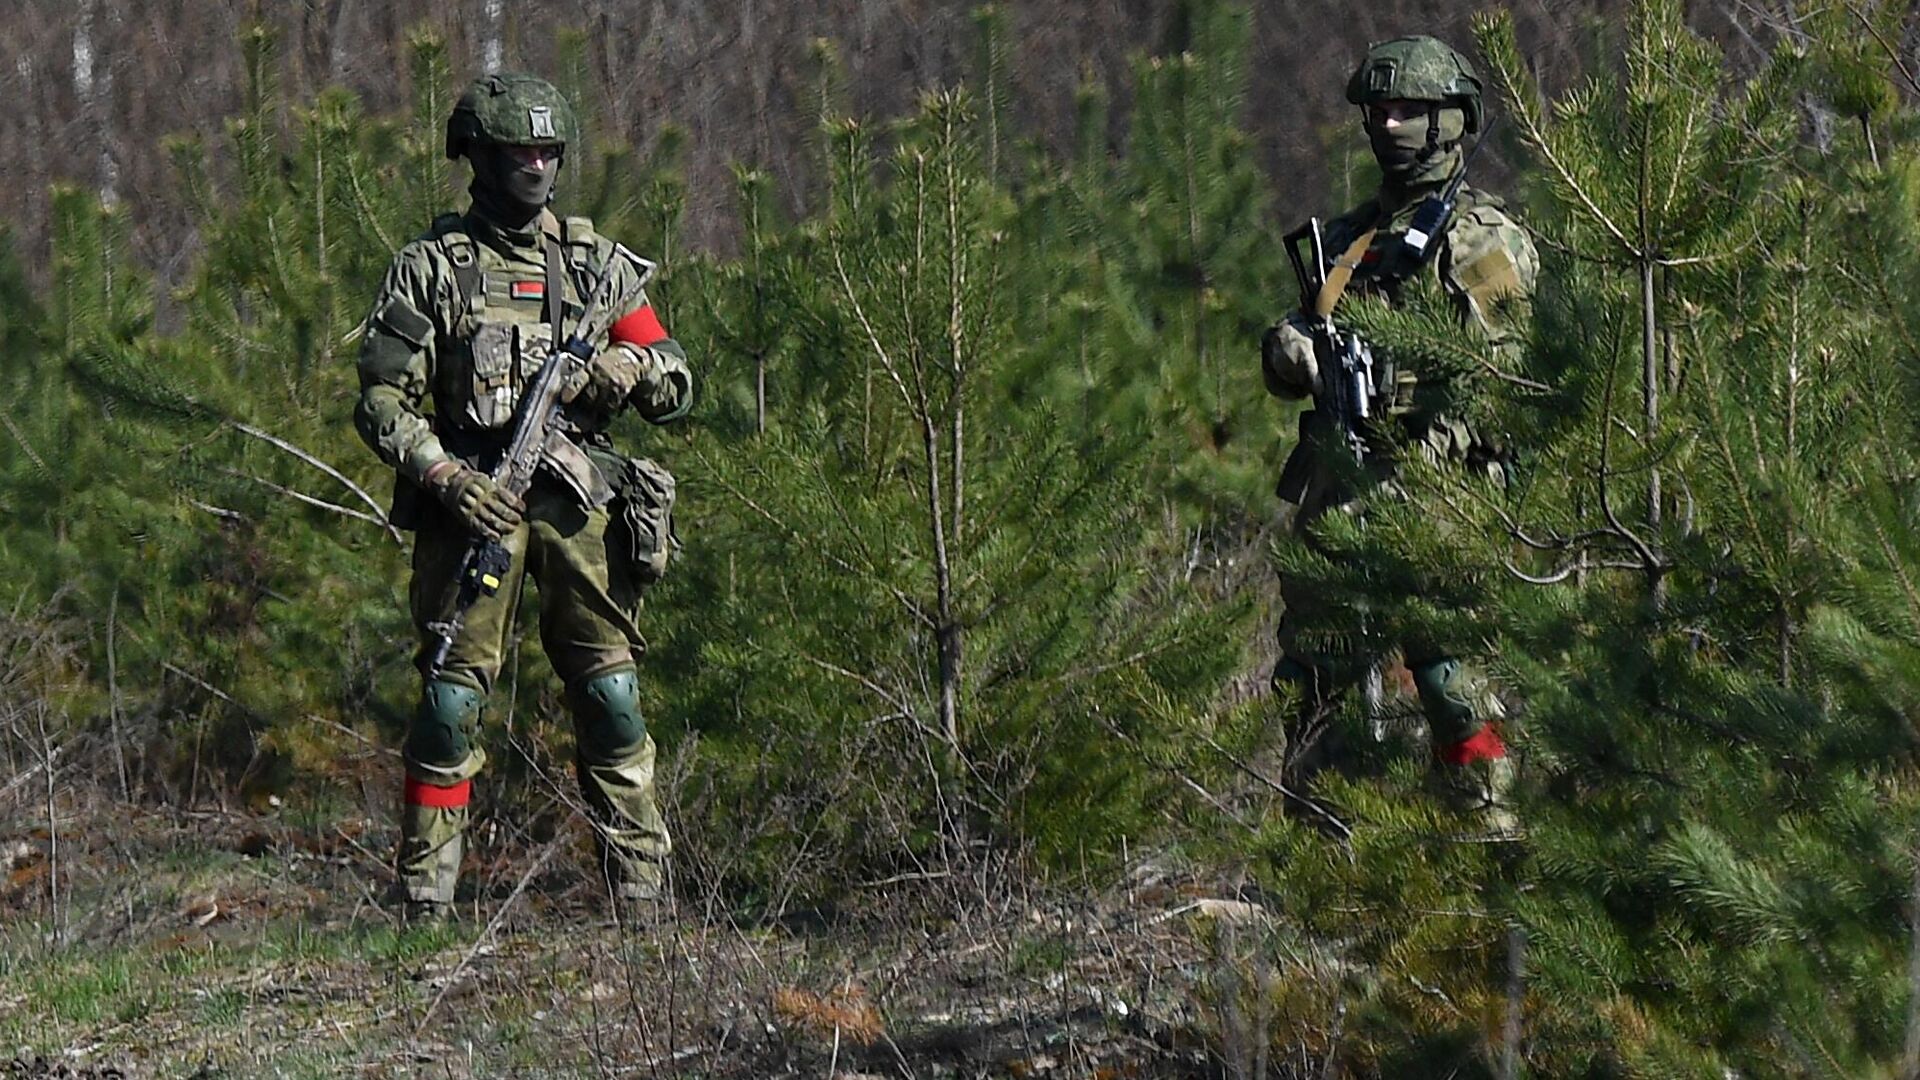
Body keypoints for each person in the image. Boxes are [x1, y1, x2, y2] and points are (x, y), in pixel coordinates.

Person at [353, 73, 693, 918]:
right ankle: (426, 908)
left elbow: (678, 381)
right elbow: (381, 401)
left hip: (578, 506)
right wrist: (446, 476)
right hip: (476, 505)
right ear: (478, 155)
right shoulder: (432, 269)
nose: (536, 165)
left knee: (612, 699)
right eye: (518, 151)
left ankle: (645, 905)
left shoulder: (597, 265)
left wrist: (634, 365)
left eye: (548, 151)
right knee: (449, 705)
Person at [1260, 36, 1537, 834]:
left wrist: (1400, 384)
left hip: (1440, 491)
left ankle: (1485, 851)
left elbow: (1507, 369)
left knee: (1454, 684)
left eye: (1409, 110)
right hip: (1340, 498)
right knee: (1316, 680)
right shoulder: (1347, 242)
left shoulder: (1482, 239)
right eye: (1379, 111)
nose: (1389, 124)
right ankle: (1325, 861)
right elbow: (1296, 342)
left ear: (1453, 121)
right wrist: (1290, 351)